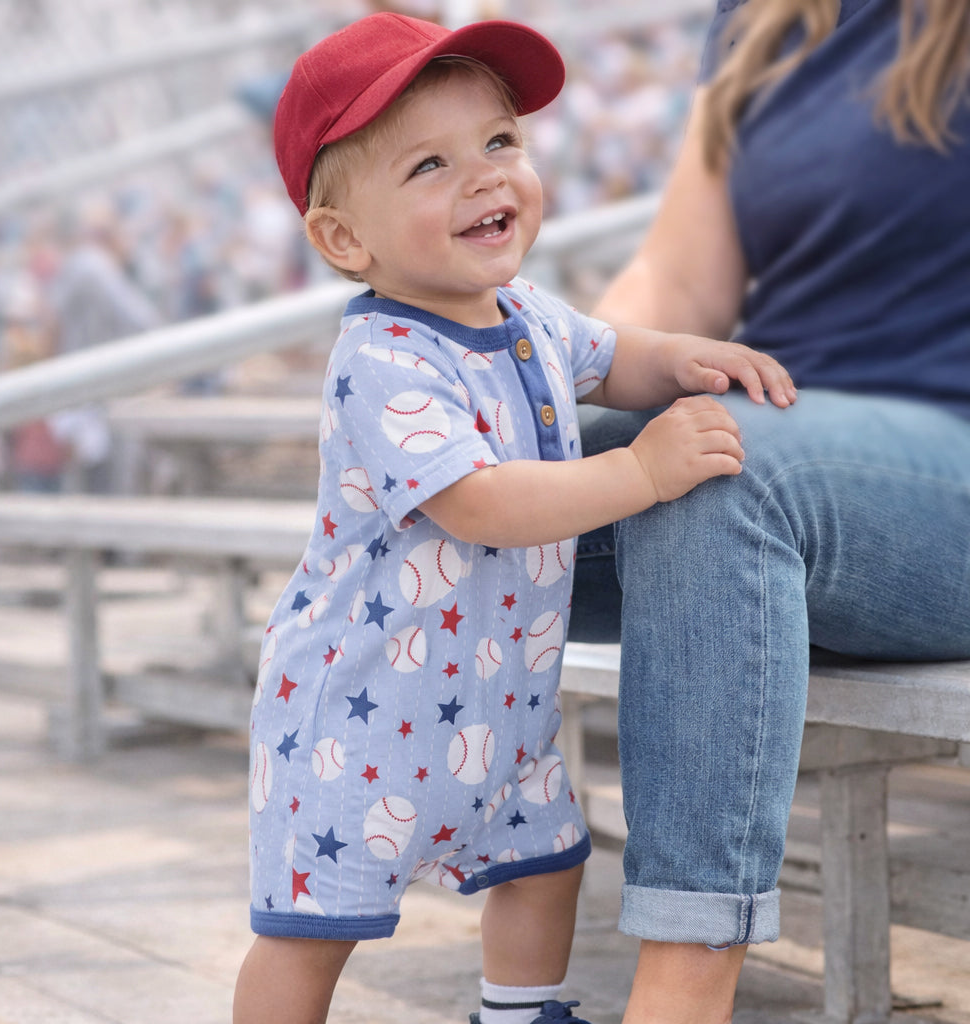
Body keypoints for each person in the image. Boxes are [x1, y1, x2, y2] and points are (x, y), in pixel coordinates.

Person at [232, 12, 794, 1024]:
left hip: (497, 712)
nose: (488, 176)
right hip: (359, 721)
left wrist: (682, 360)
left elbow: (608, 351)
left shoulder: (525, 313)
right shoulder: (384, 359)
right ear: (343, 237)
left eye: (500, 142)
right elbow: (482, 503)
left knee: (544, 863)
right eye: (431, 165)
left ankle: (519, 1009)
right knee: (313, 927)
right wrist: (644, 468)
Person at [566, 2, 970, 1023]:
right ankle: (351, 899)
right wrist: (525, 390)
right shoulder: (759, 19)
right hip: (787, 418)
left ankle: (679, 998)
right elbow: (679, 277)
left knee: (718, 470)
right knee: (440, 489)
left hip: (932, 461)